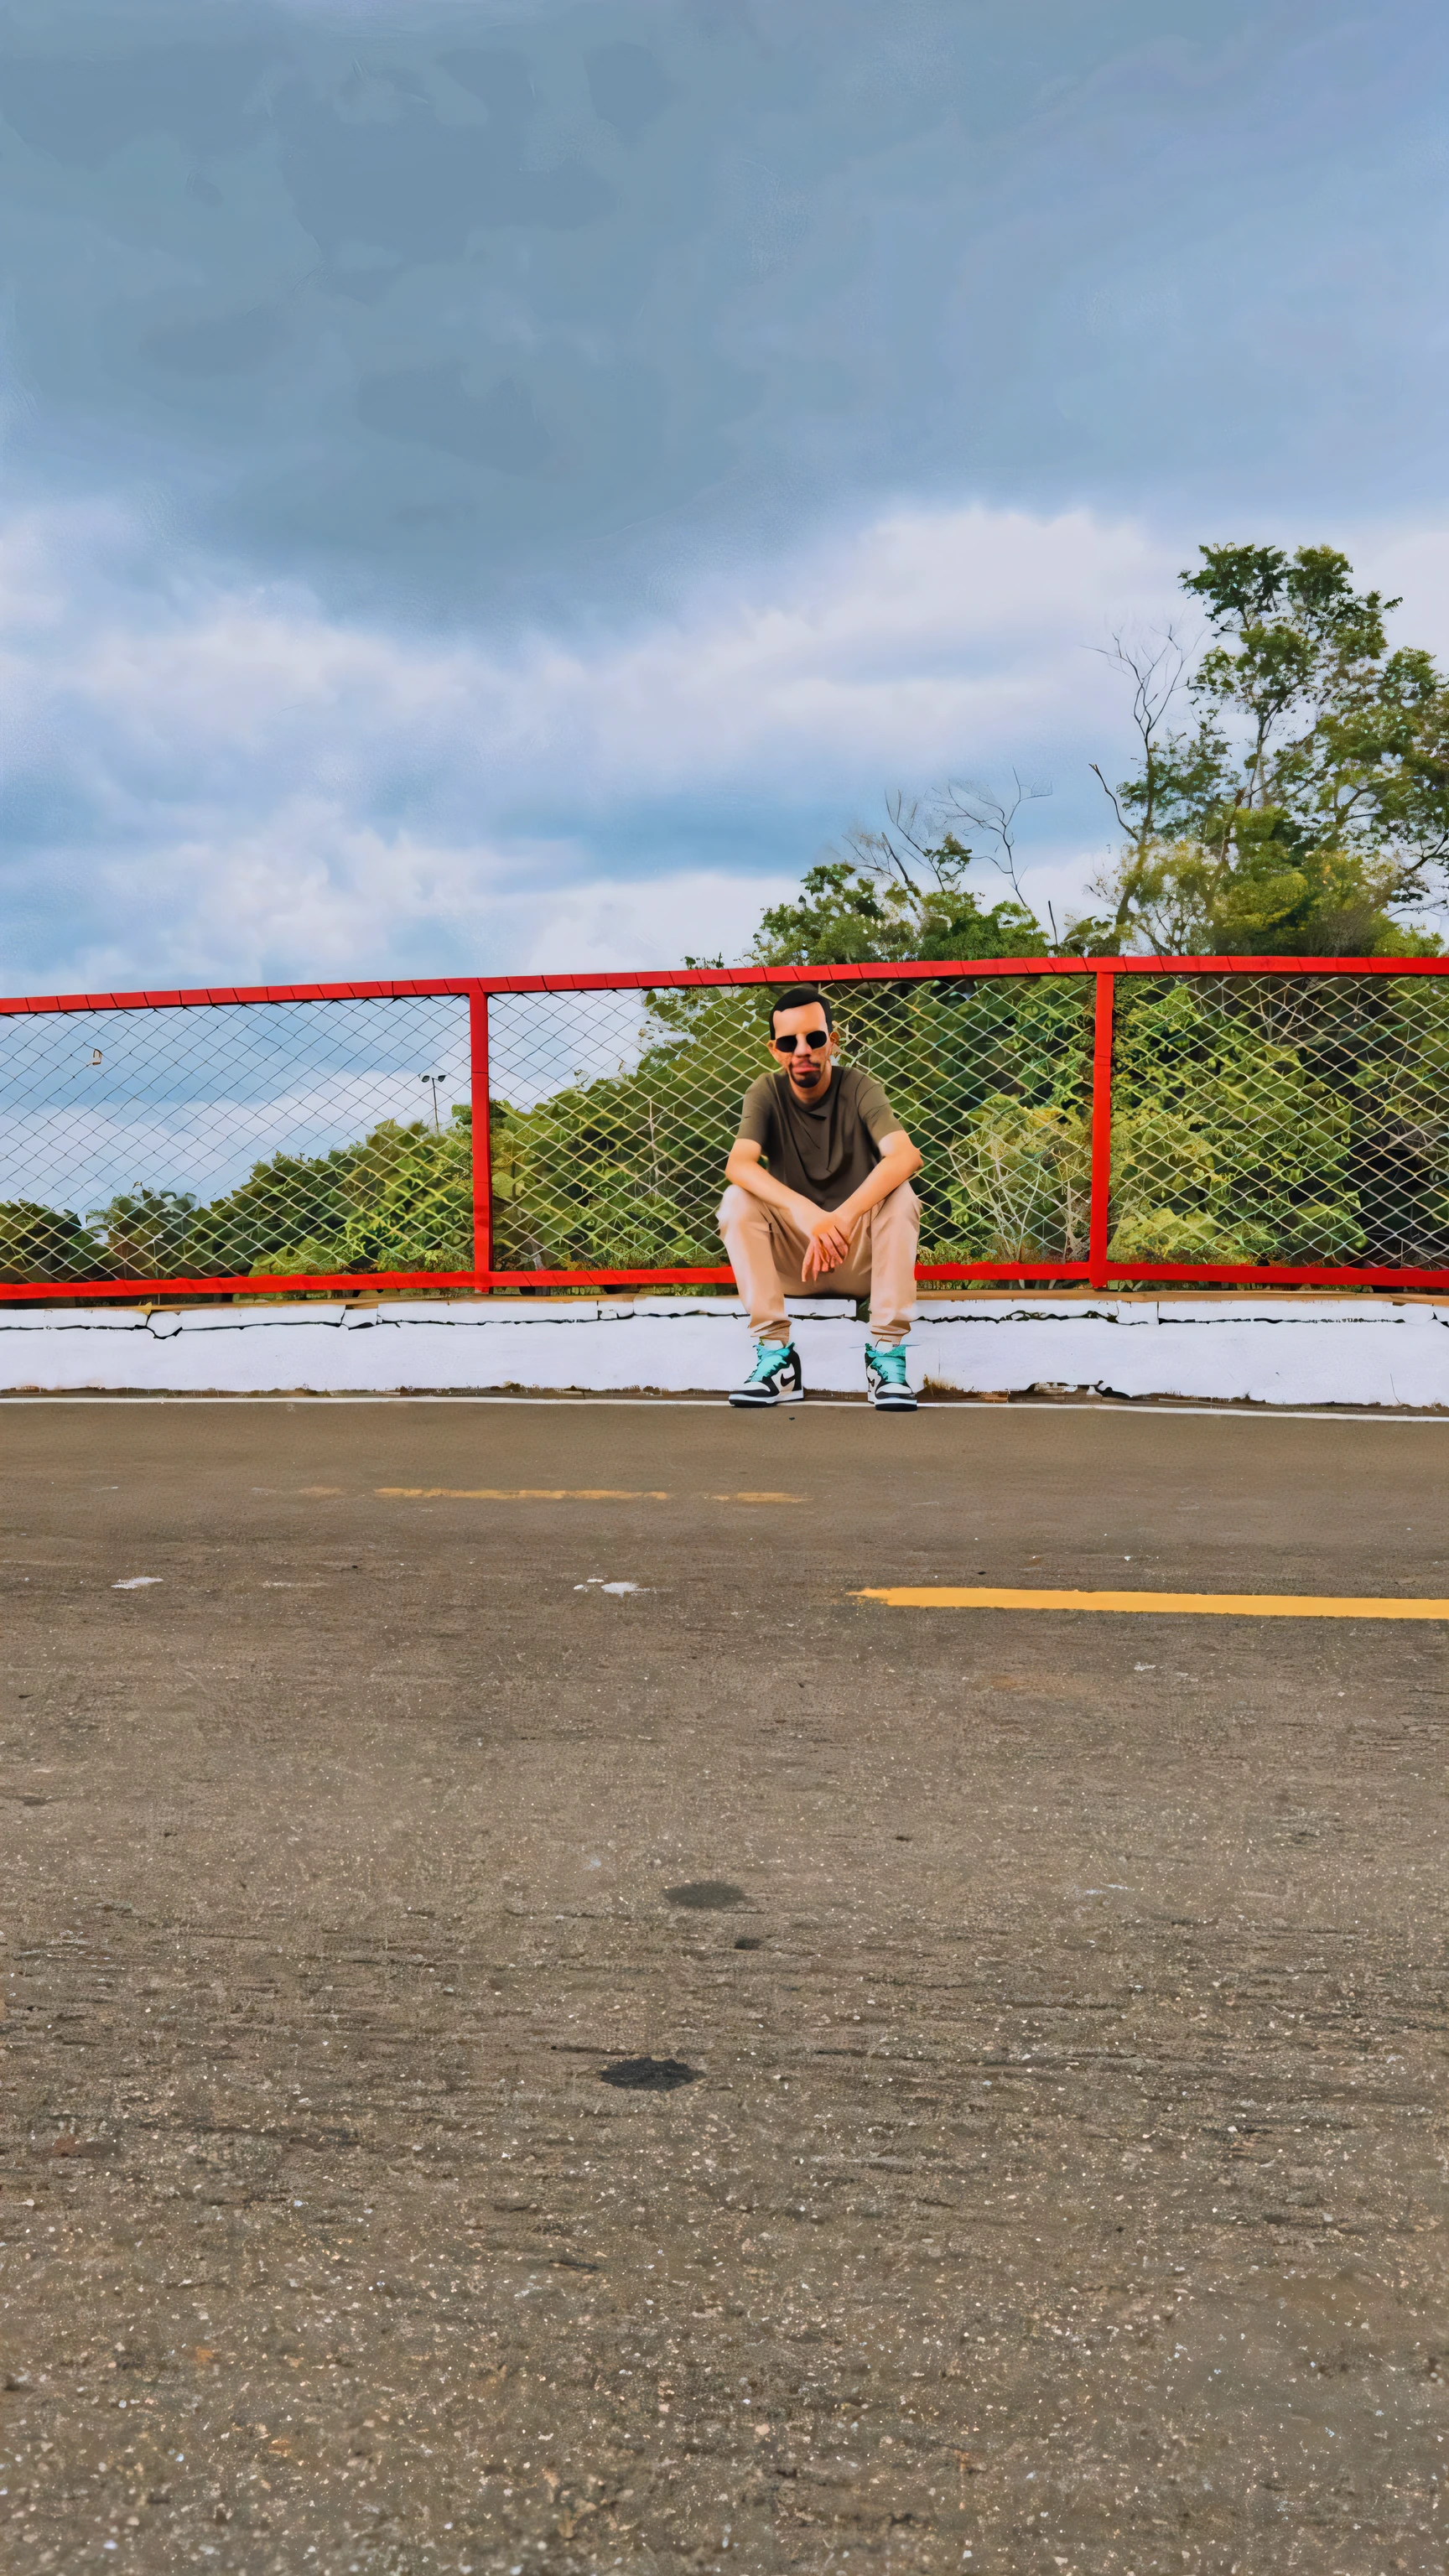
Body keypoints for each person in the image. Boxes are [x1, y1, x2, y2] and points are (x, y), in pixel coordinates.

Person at [718, 984, 922, 1410]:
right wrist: (805, 1212)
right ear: (775, 1049)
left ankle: (885, 1355)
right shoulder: (765, 1092)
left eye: (814, 1038)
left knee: (901, 1195)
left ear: (833, 1040)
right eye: (789, 1042)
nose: (802, 1050)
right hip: (798, 1261)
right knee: (736, 1200)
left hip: (859, 1261)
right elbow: (738, 1164)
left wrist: (842, 1218)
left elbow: (905, 1156)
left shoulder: (860, 1087)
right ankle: (777, 1358)